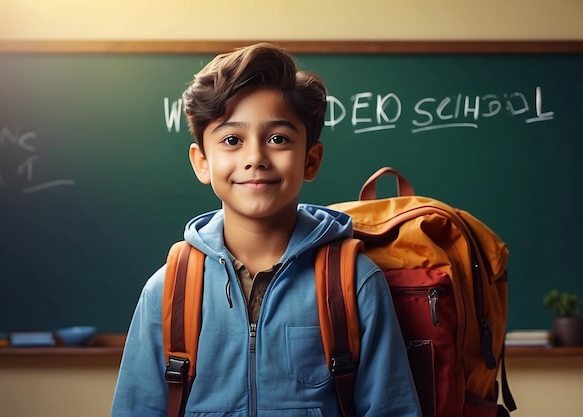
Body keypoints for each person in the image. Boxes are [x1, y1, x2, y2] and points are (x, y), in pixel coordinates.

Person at [110, 42, 421, 417]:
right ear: (202, 162)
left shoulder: (353, 282)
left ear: (311, 160)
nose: (255, 157)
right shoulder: (169, 289)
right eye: (231, 140)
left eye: (278, 139)